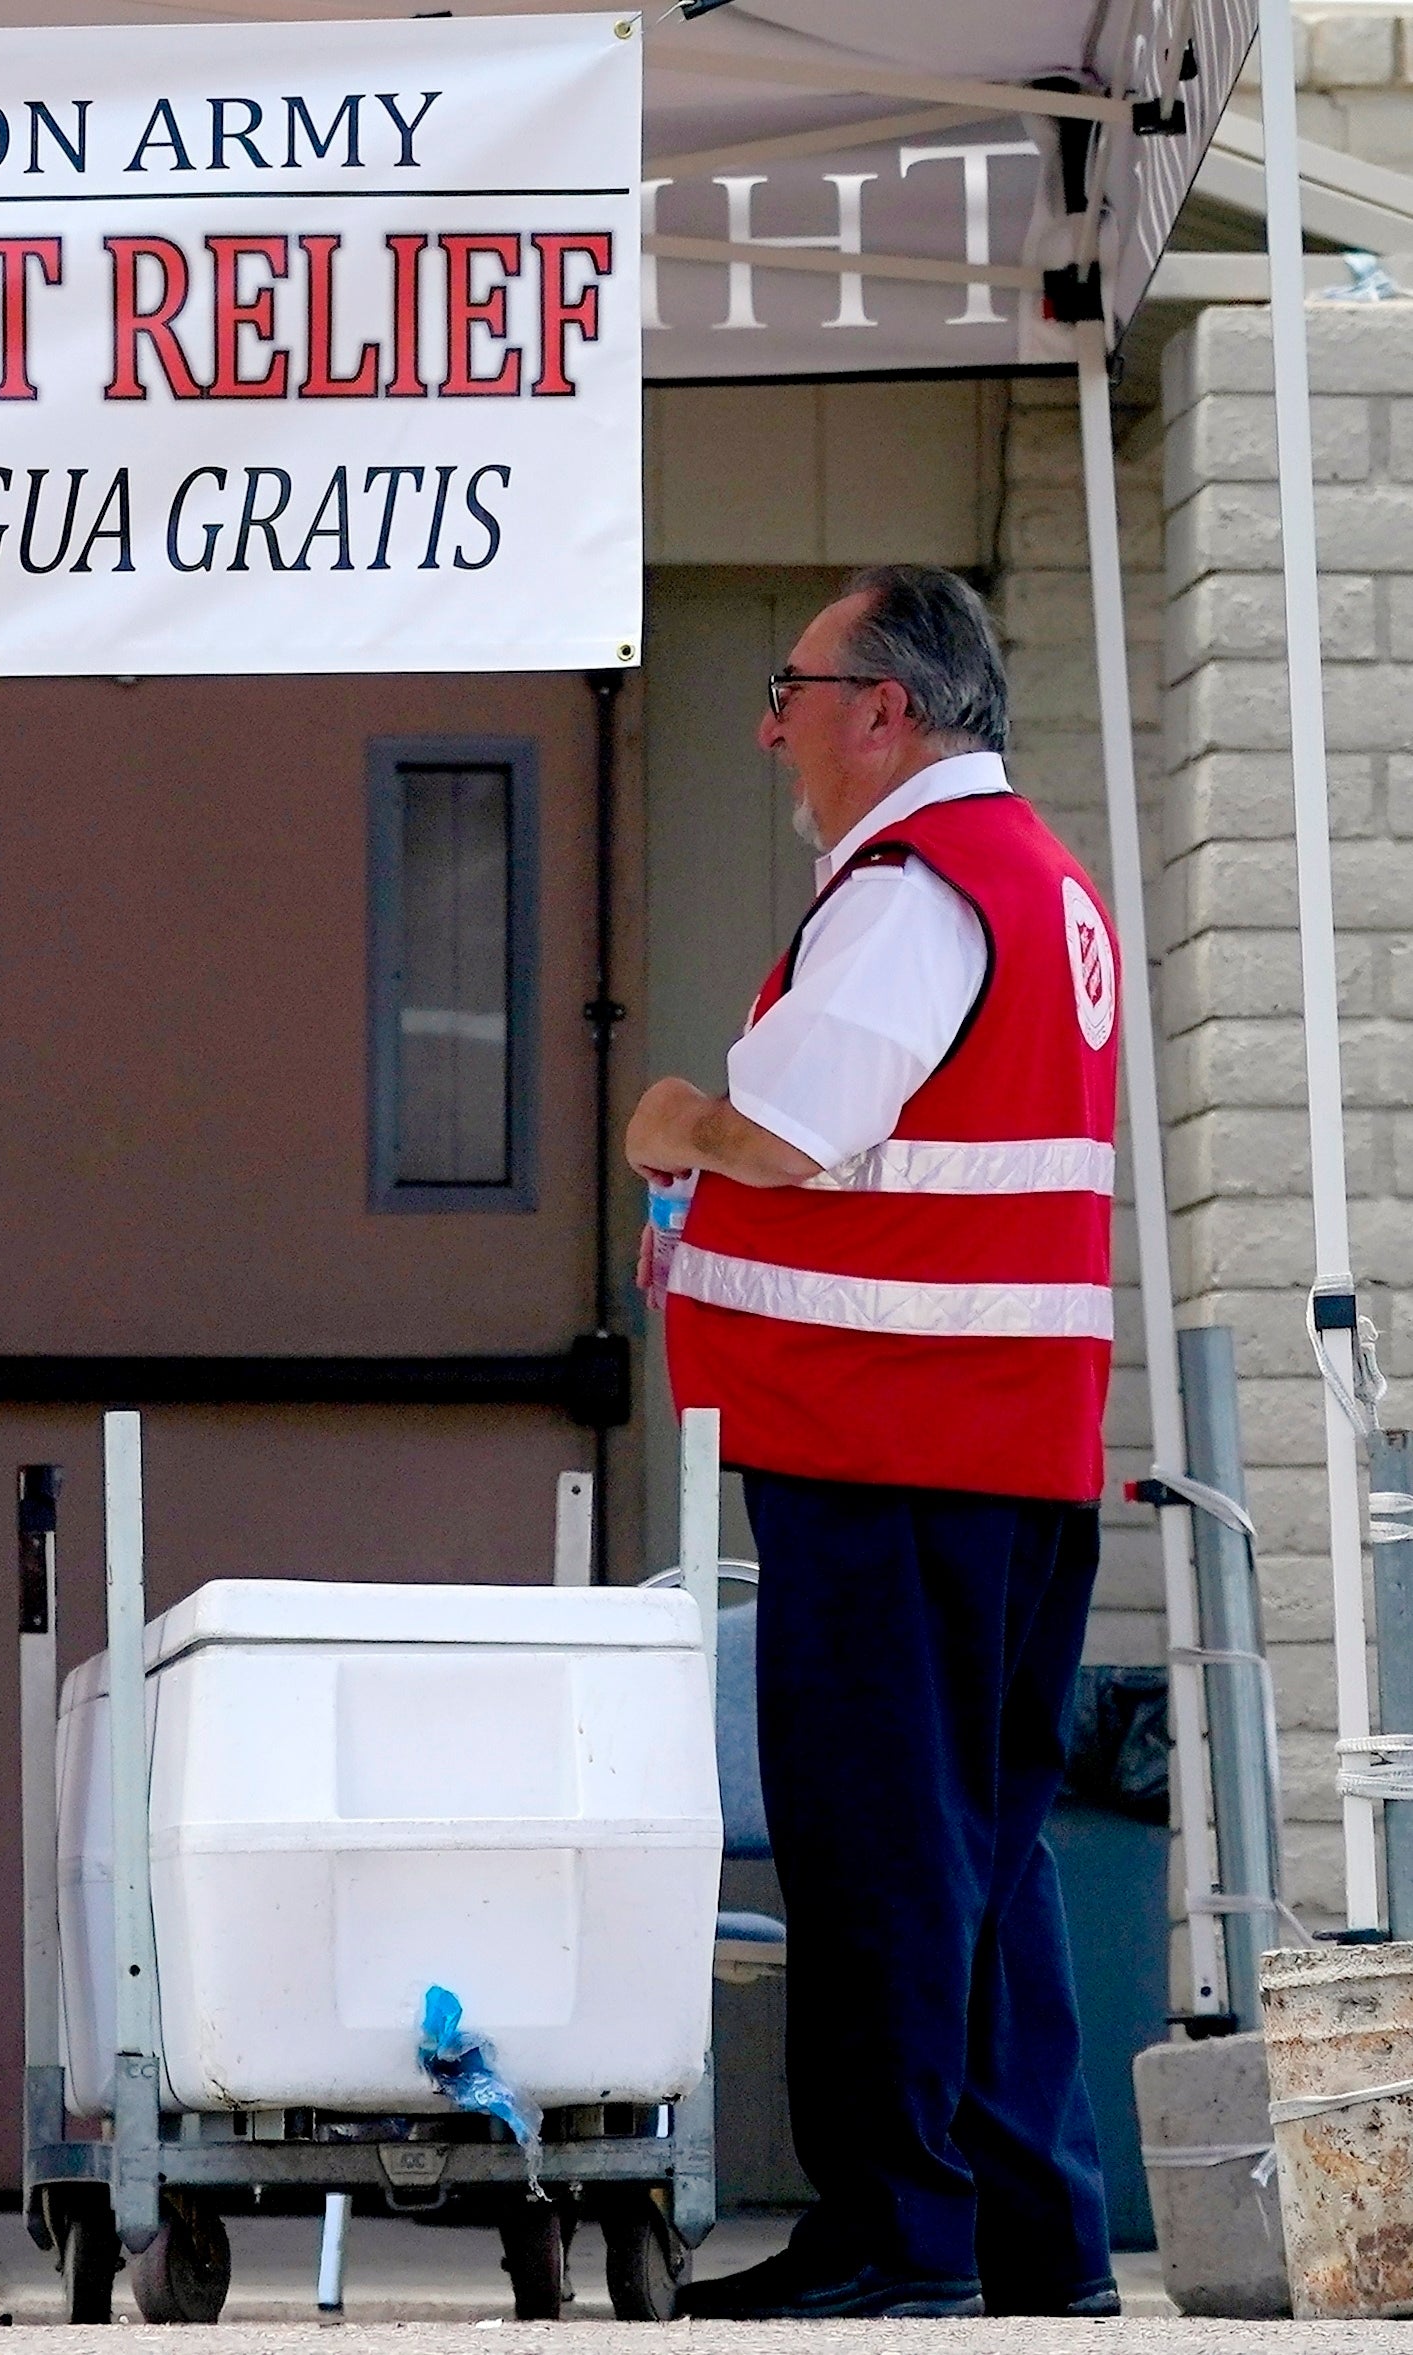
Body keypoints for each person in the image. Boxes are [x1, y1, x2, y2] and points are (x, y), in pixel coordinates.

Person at [629, 568, 1121, 2321]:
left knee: (876, 1850)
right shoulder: (1039, 886)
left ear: (882, 709)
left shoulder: (913, 889)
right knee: (980, 1852)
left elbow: (791, 1129)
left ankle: (896, 2239)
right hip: (996, 1443)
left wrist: (674, 1116)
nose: (769, 723)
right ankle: (1027, 2235)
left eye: (790, 686)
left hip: (888, 1439)